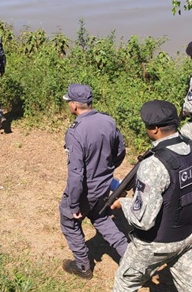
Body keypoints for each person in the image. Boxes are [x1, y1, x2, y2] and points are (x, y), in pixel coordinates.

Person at [110, 100, 192, 292]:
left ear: (154, 129)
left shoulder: (154, 165)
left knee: (124, 283)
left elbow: (143, 221)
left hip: (156, 244)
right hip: (188, 236)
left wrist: (123, 203)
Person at [59, 83, 129, 280]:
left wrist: (73, 204)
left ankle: (82, 266)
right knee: (101, 218)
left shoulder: (75, 131)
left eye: (68, 103)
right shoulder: (108, 121)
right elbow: (120, 152)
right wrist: (106, 171)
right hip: (104, 185)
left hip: (85, 190)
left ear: (74, 105)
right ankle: (130, 258)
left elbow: (75, 174)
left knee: (69, 222)